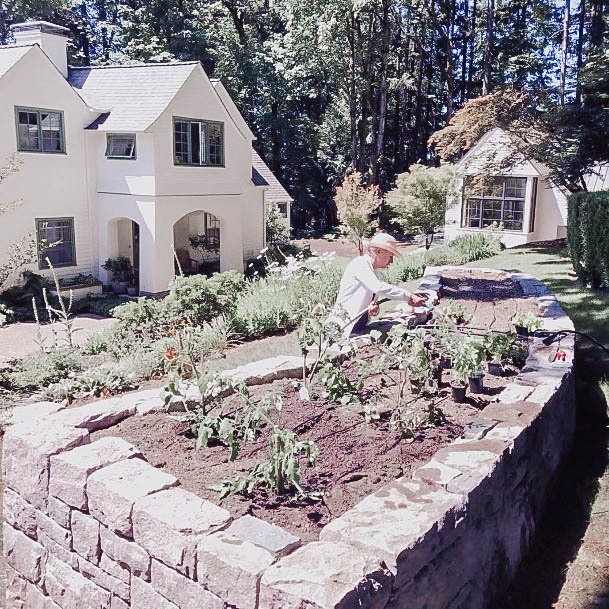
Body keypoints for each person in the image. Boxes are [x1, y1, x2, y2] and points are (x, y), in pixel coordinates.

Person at [327, 232, 425, 337]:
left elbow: (369, 303)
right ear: (379, 251)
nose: (391, 261)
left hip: (357, 325)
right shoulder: (360, 264)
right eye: (390, 257)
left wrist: (373, 310)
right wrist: (408, 296)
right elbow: (378, 287)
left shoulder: (374, 271)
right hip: (342, 326)